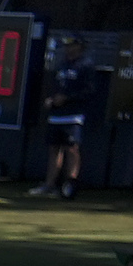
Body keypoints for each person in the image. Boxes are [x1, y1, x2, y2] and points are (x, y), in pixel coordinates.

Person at [38, 35, 102, 199]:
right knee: (54, 149)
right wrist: (51, 99)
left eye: (71, 45)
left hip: (73, 115)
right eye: (66, 46)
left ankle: (69, 186)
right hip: (56, 115)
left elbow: (89, 91)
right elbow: (55, 86)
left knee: (72, 149)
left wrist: (67, 98)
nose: (68, 49)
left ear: (79, 47)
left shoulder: (85, 66)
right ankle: (49, 185)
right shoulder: (62, 65)